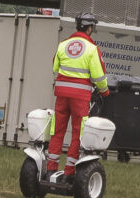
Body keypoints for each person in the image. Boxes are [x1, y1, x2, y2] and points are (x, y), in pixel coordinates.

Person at [46, 12, 109, 183]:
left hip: (61, 95)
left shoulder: (63, 44)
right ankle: (69, 172)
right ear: (89, 28)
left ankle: (50, 169)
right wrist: (104, 91)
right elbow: (99, 76)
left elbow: (55, 67)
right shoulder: (91, 48)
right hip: (80, 97)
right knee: (77, 134)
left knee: (57, 131)